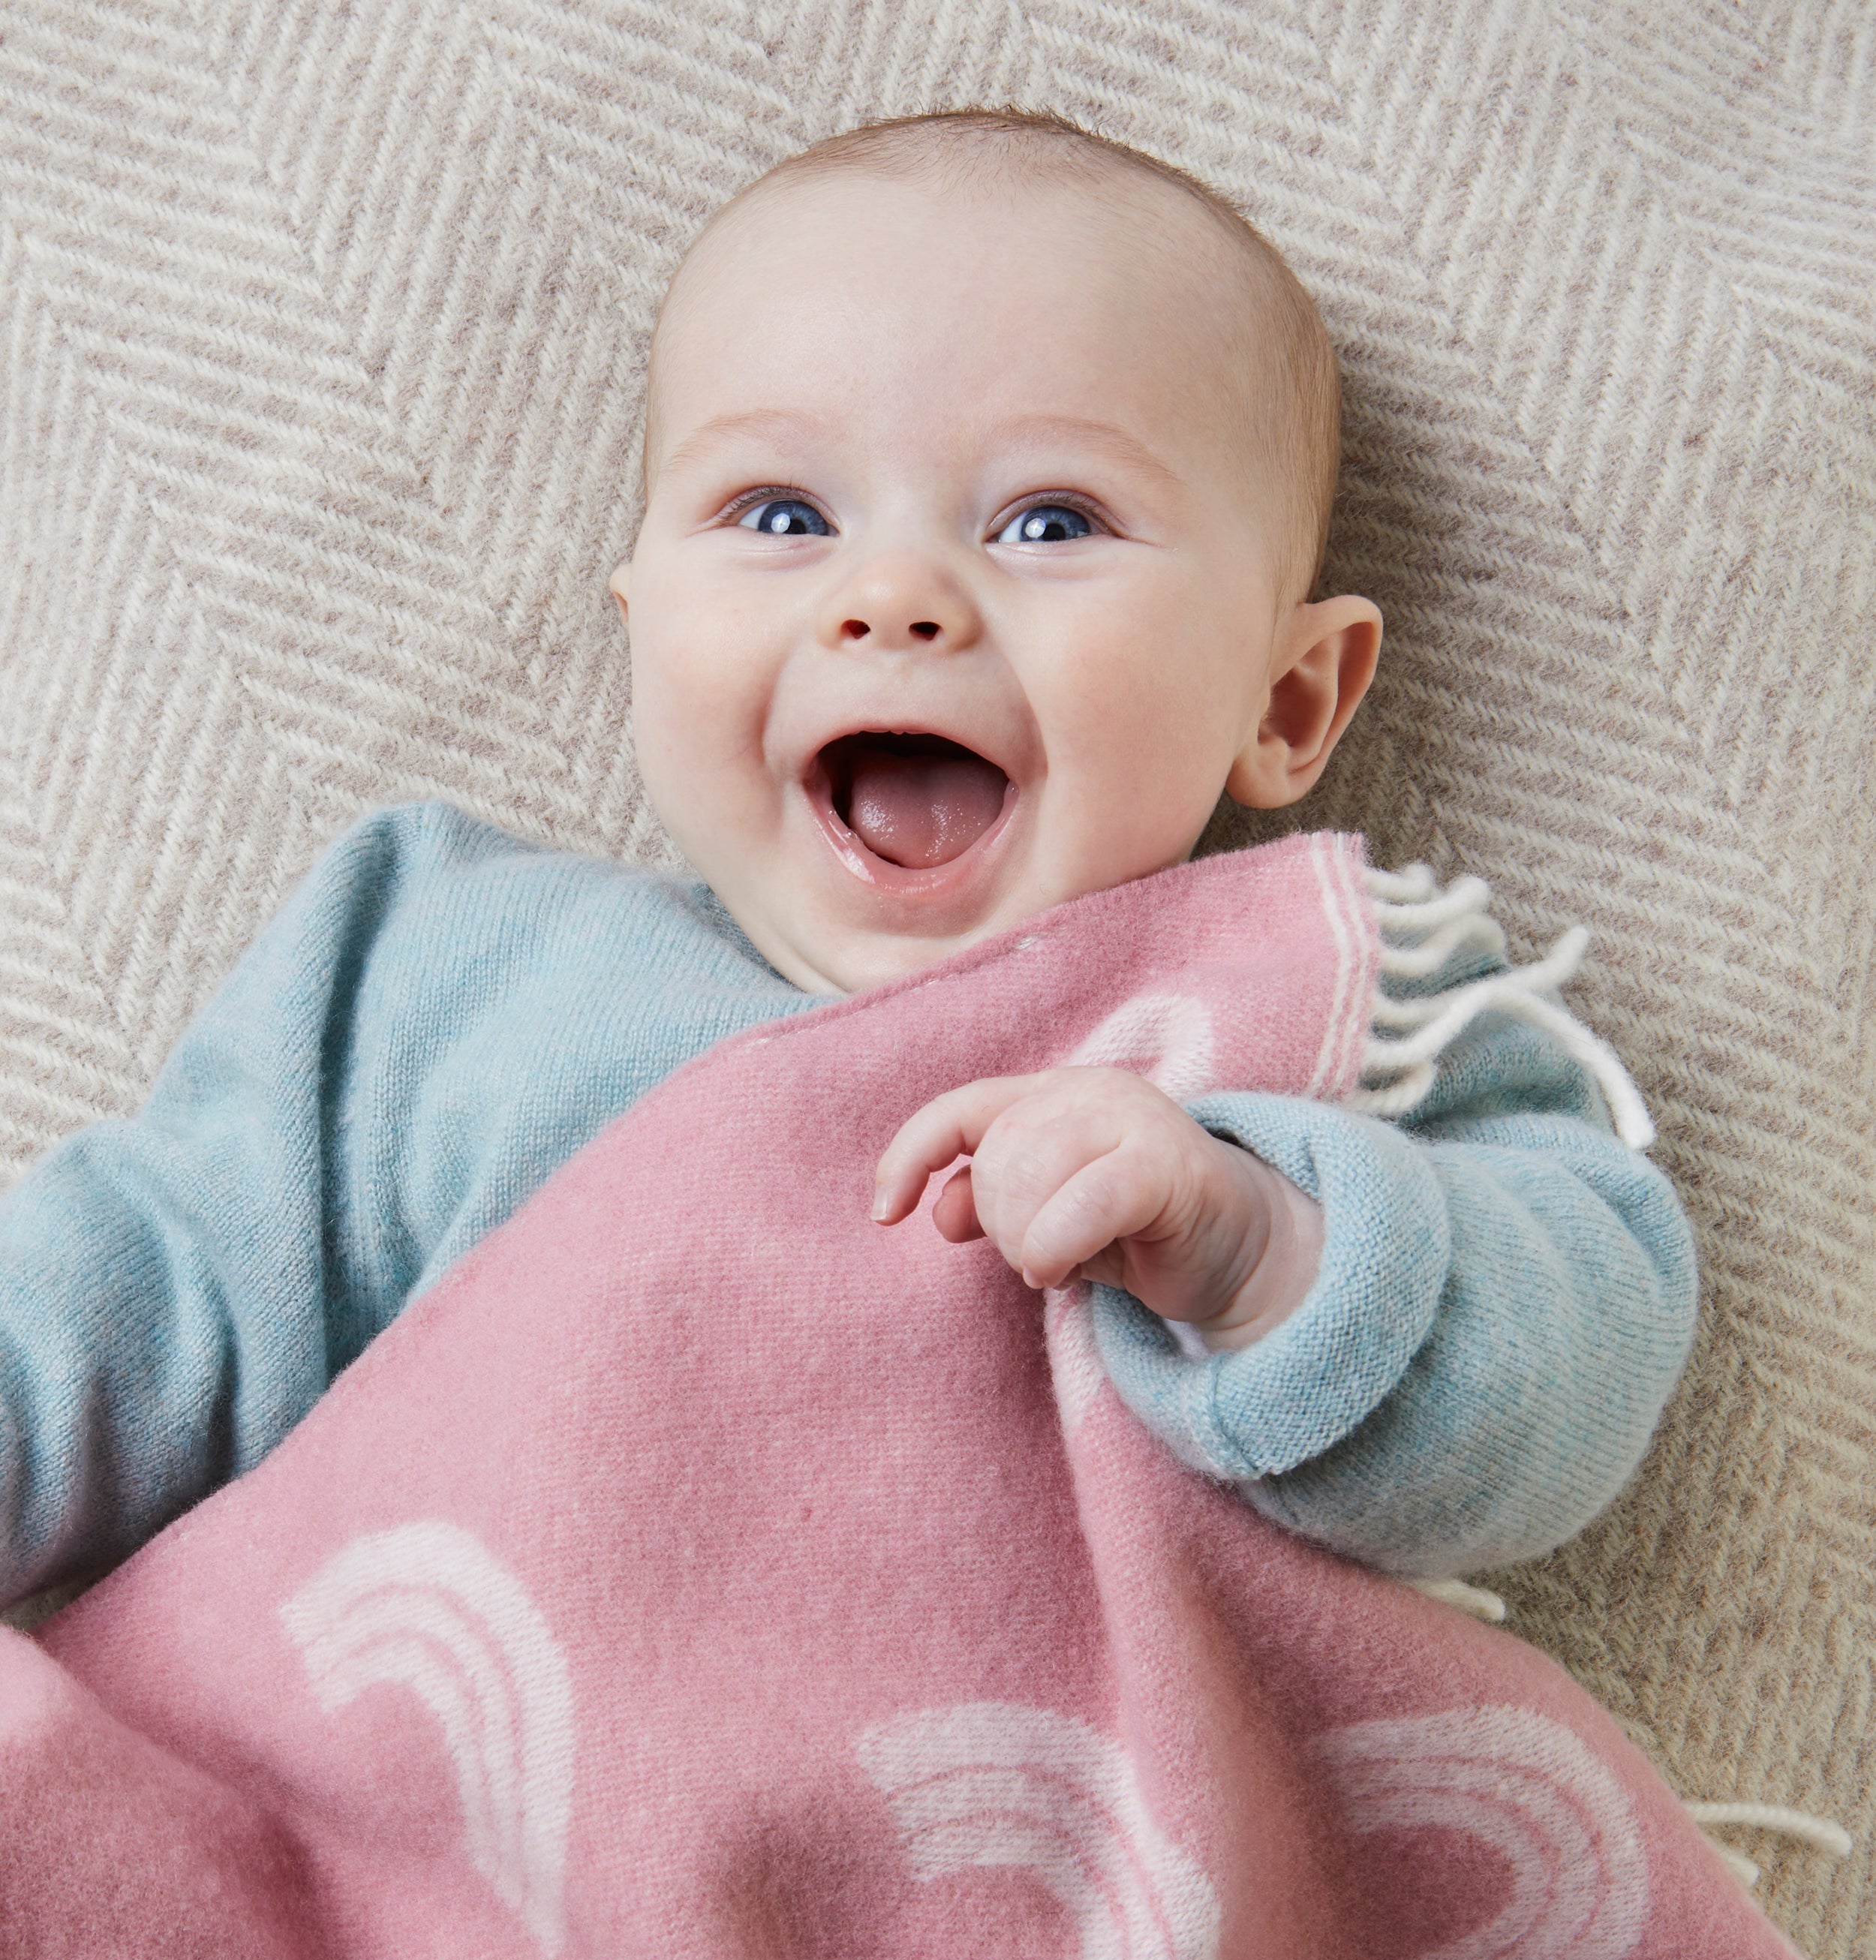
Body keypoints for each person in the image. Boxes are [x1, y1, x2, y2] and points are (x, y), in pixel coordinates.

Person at [0, 108, 1694, 1616]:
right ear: (641, 630)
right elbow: (150, 1284)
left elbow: (1582, 1355)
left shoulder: (1316, 1012)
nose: (893, 597)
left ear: (1285, 696)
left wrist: (1259, 1248)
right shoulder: (452, 963)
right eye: (783, 517)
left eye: (1049, 522)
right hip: (394, 1781)